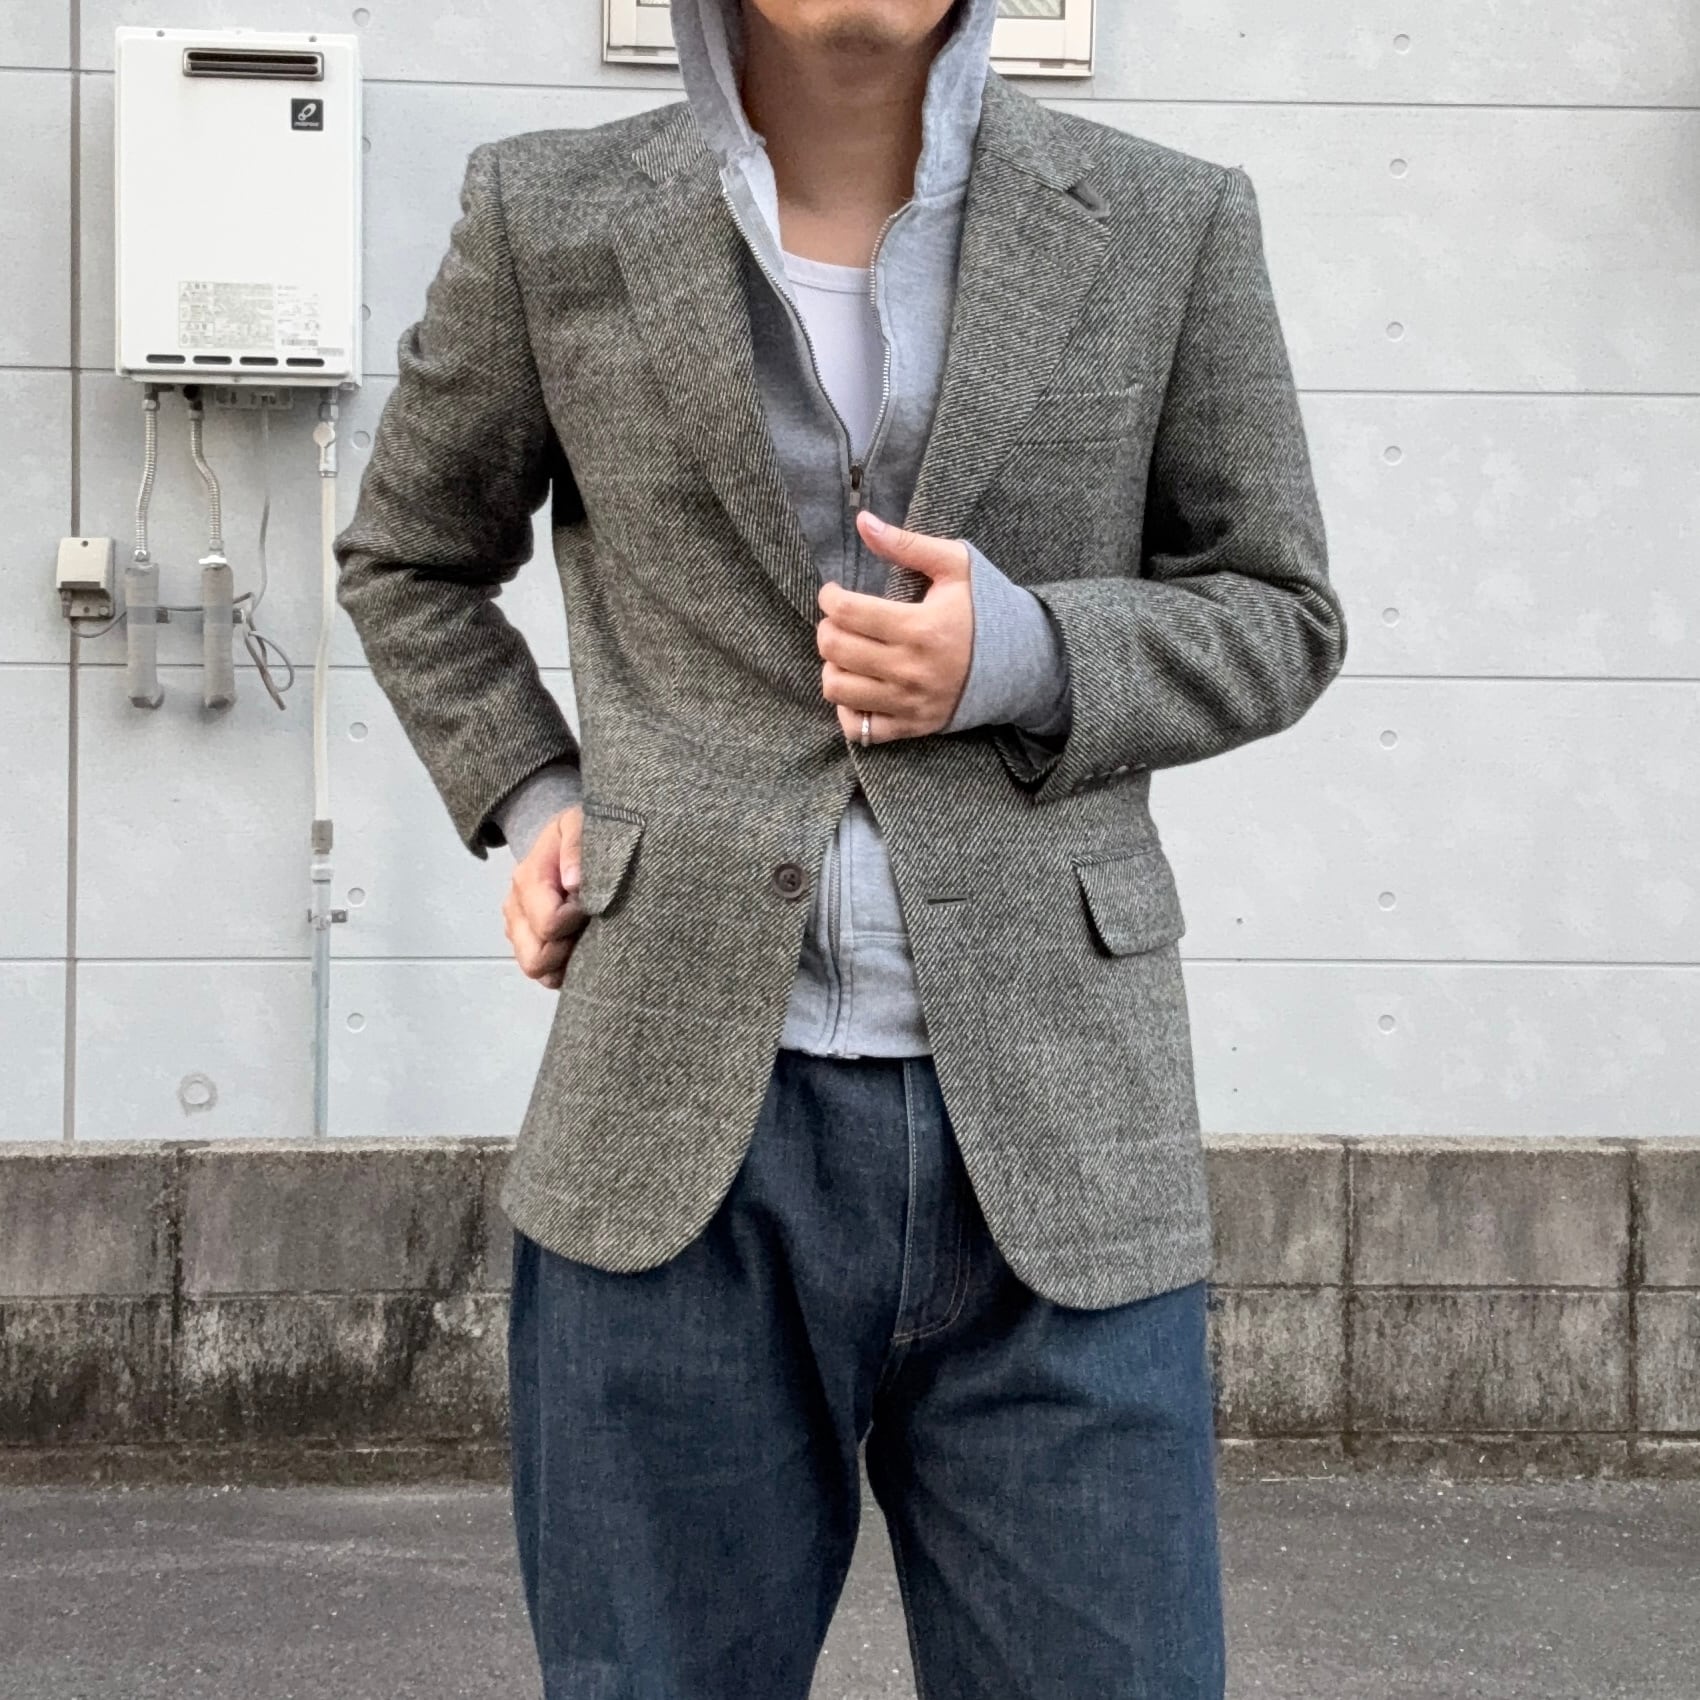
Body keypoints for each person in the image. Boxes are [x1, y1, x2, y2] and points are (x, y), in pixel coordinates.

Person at [333, 0, 1346, 1693]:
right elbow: (410, 558)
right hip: (673, 1138)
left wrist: (1024, 653)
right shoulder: (547, 211)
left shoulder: (1168, 218)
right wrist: (541, 799)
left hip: (1063, 1126)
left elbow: (1279, 609)